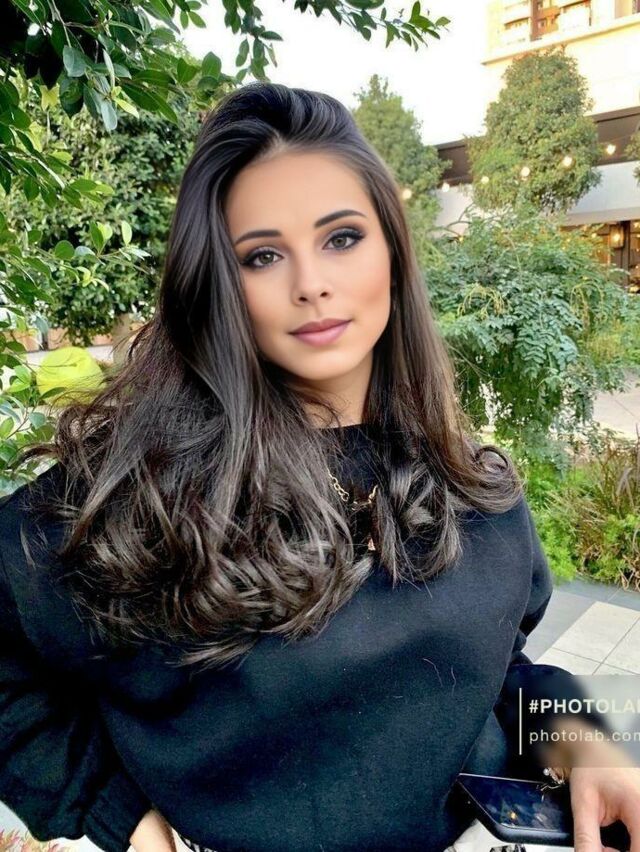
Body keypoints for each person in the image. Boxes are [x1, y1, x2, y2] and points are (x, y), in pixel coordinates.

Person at [0, 81, 639, 852]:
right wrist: (114, 811)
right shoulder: (144, 495)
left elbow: (497, 669)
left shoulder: (475, 488)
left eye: (341, 238)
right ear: (218, 284)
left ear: (393, 251)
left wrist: (579, 736)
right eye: (263, 255)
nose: (312, 284)